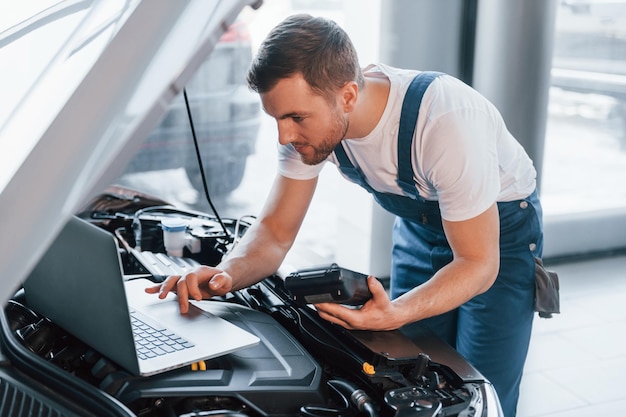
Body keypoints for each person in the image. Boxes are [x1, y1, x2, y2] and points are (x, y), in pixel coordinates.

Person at [146, 14, 543, 417]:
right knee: (417, 377)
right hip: (420, 231)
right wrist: (224, 275)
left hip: (498, 241)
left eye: (296, 118)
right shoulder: (314, 128)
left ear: (348, 96)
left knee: (479, 388)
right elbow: (274, 233)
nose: (284, 136)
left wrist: (400, 310)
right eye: (277, 118)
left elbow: (477, 263)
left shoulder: (444, 121)